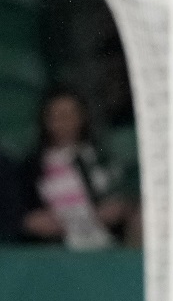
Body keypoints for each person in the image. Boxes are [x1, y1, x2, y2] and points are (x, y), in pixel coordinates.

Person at [18, 87, 137, 249]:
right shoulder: (31, 166)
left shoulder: (100, 158)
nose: (64, 122)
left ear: (82, 117)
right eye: (57, 117)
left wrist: (116, 209)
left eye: (70, 115)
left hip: (104, 245)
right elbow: (27, 217)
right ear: (45, 121)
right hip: (53, 251)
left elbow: (119, 201)